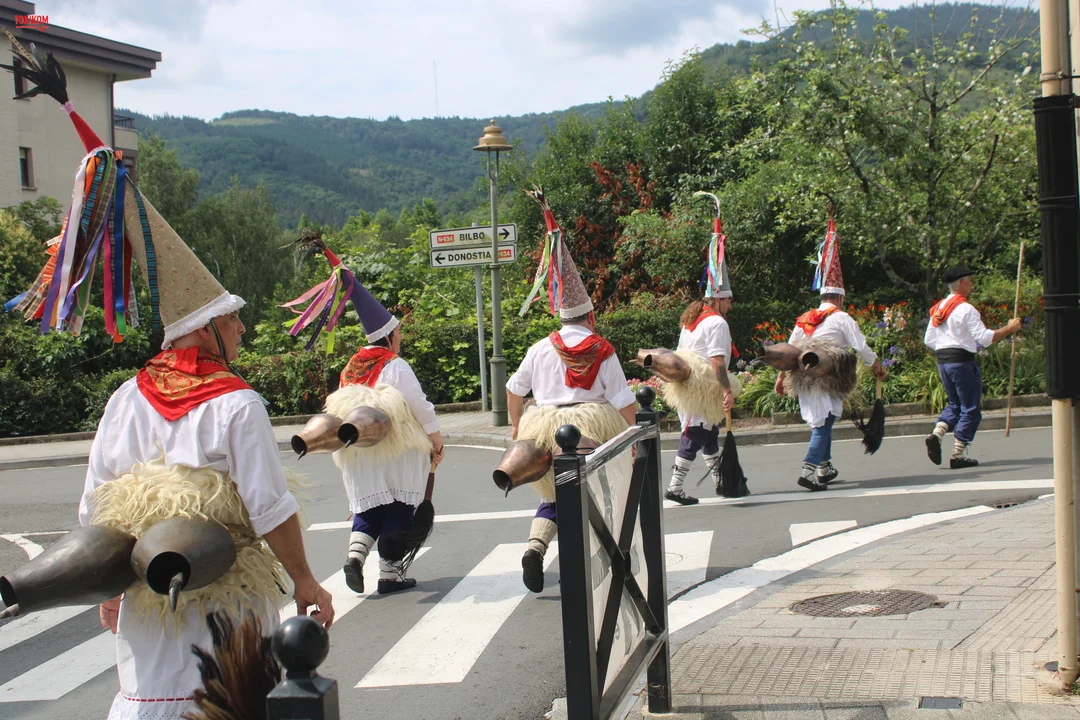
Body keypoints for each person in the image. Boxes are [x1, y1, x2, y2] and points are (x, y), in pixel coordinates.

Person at [4, 52, 334, 719]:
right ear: (205, 331)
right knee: (227, 699)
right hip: (225, 597)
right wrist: (304, 579)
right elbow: (269, 507)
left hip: (146, 597)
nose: (241, 329)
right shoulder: (237, 404)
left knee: (149, 699)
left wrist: (106, 585)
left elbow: (97, 502)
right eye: (233, 320)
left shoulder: (126, 398)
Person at [285, 239, 444, 595]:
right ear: (389, 336)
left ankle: (355, 557)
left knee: (371, 505)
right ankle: (390, 575)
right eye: (398, 333)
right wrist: (436, 439)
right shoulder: (396, 366)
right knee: (399, 505)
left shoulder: (350, 368)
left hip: (358, 453)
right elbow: (419, 406)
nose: (400, 338)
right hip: (397, 450)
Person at [507, 188, 637, 593]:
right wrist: (634, 437)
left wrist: (517, 428)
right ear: (589, 315)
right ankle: (593, 565)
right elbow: (623, 401)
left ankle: (535, 546)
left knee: (553, 494)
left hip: (543, 426)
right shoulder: (601, 348)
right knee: (599, 494)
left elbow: (514, 390)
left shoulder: (540, 347)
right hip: (591, 427)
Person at [775, 215, 886, 491]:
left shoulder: (804, 318)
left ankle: (824, 468)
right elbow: (860, 345)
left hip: (803, 377)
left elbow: (789, 351)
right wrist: (876, 365)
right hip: (829, 377)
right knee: (823, 425)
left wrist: (780, 379)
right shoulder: (841, 317)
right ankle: (808, 471)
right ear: (840, 297)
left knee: (822, 421)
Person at [664, 200, 738, 504]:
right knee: (695, 433)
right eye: (729, 299)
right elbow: (718, 362)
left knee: (708, 434)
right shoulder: (717, 322)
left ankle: (721, 481)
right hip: (702, 386)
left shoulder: (692, 318)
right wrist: (727, 391)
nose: (731, 304)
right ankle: (675, 487)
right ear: (719, 299)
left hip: (688, 384)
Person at [923, 266, 1022, 468]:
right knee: (970, 408)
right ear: (962, 283)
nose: (972, 284)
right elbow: (984, 338)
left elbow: (929, 340)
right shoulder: (966, 309)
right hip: (962, 362)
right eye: (970, 280)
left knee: (955, 404)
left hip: (944, 362)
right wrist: (1009, 328)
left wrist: (947, 348)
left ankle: (937, 433)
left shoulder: (939, 308)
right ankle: (958, 454)